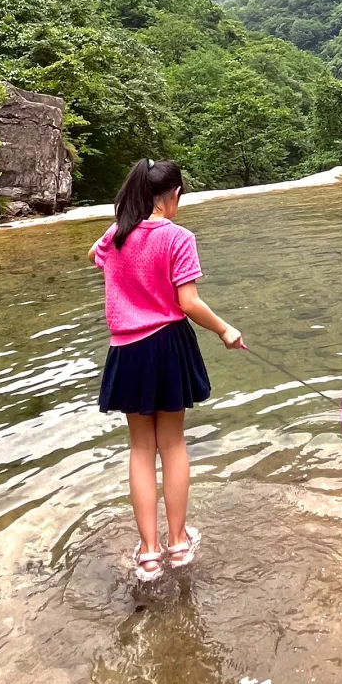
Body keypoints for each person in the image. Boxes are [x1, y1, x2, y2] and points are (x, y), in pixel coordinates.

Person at [90, 159, 243, 582]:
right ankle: (178, 544)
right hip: (167, 345)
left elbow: (94, 257)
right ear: (173, 193)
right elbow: (188, 302)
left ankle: (149, 554)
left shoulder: (116, 232)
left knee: (141, 449)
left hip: (128, 350)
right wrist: (226, 330)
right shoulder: (178, 237)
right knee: (172, 445)